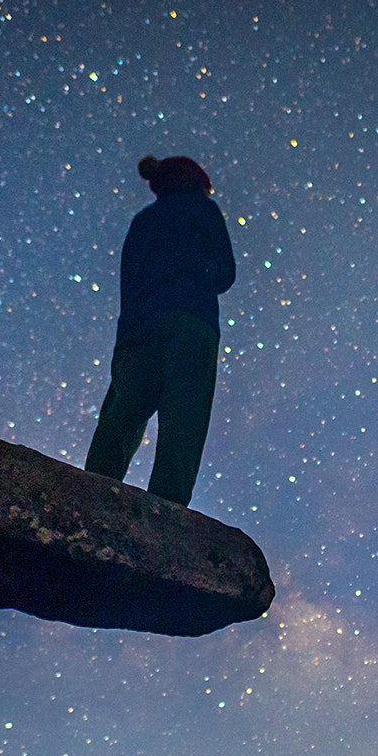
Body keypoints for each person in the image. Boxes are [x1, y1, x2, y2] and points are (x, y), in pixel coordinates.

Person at [83, 154, 237, 507]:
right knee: (183, 422)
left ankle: (91, 494)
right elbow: (226, 273)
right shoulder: (203, 210)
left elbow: (128, 279)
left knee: (121, 416)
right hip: (191, 323)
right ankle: (166, 512)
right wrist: (196, 278)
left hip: (138, 328)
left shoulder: (143, 221)